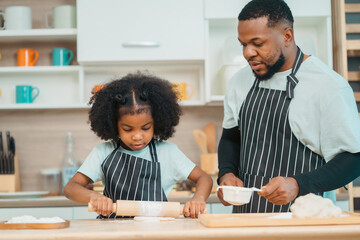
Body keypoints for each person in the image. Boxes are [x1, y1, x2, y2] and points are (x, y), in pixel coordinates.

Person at [217, 0, 360, 213]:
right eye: (243, 44)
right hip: (247, 221)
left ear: (287, 36)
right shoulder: (239, 82)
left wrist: (297, 184)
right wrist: (226, 173)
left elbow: (353, 159)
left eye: (258, 43)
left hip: (306, 224)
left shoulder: (329, 86)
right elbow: (231, 137)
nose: (248, 53)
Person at [64, 72, 212, 218]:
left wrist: (198, 199)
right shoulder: (103, 153)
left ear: (157, 122)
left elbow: (204, 178)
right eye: (127, 129)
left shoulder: (168, 152)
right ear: (114, 125)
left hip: (155, 232)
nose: (137, 136)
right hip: (112, 232)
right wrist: (94, 197)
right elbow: (71, 187)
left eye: (146, 128)